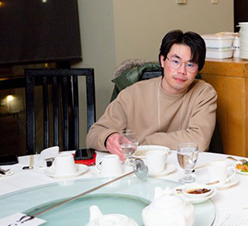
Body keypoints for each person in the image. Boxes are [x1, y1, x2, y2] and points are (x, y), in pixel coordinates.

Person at [87, 30, 217, 159]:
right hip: (137, 169)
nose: (182, 71)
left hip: (182, 170)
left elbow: (199, 141)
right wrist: (108, 138)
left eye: (190, 65)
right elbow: (93, 134)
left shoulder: (204, 93)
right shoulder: (132, 94)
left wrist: (149, 142)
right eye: (175, 62)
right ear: (162, 60)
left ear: (198, 69)